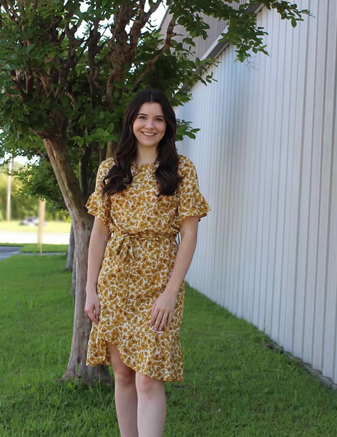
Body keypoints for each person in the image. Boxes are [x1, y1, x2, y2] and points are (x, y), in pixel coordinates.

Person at [84, 89, 210, 437]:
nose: (149, 125)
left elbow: (190, 236)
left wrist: (171, 292)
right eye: (142, 117)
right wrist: (90, 288)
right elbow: (98, 234)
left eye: (157, 118)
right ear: (131, 122)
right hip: (115, 282)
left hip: (159, 285)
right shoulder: (110, 169)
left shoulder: (181, 169)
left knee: (148, 378)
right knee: (123, 374)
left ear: (167, 125)